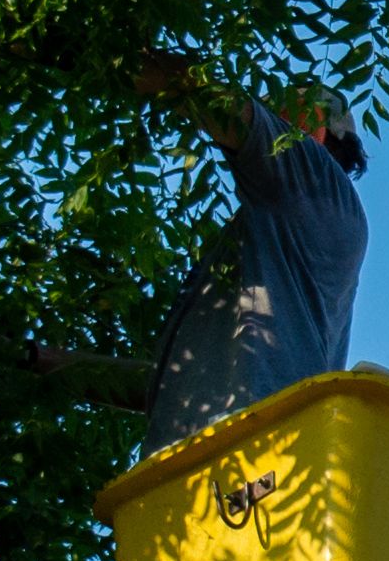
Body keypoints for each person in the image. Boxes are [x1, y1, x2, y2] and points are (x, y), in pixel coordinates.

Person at [146, 77, 365, 441]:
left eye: (281, 115)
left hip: (253, 451)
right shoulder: (269, 238)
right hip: (197, 463)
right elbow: (188, 378)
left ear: (319, 132)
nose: (269, 123)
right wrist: (52, 364)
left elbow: (235, 115)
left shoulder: (317, 186)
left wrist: (141, 66)